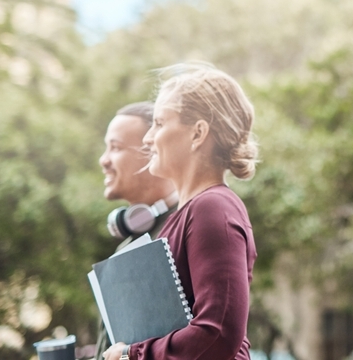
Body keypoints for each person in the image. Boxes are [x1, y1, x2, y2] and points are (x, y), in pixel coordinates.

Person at [102, 64, 258, 360]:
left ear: (198, 133)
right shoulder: (189, 214)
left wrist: (130, 356)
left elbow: (218, 335)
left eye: (159, 124)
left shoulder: (213, 208)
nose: (148, 139)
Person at [88, 102, 179, 360]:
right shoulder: (129, 243)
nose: (103, 160)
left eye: (115, 148)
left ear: (153, 151)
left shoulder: (179, 231)